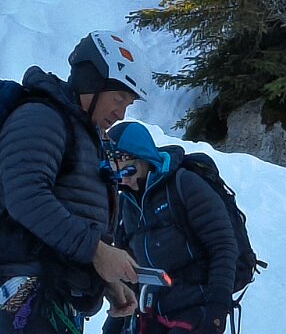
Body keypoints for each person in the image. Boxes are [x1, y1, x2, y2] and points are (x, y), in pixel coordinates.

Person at [0, 30, 150, 333]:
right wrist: (97, 251)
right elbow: (26, 198)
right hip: (24, 284)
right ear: (92, 82)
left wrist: (105, 280)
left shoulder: (81, 132)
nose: (121, 113)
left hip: (54, 284)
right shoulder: (40, 118)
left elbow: (74, 210)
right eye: (118, 98)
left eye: (128, 103)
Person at [101, 122, 239, 334]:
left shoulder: (185, 185)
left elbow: (223, 246)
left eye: (125, 165)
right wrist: (119, 313)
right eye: (114, 167)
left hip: (196, 307)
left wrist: (217, 308)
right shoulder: (126, 204)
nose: (121, 175)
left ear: (143, 157)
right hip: (151, 310)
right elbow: (129, 263)